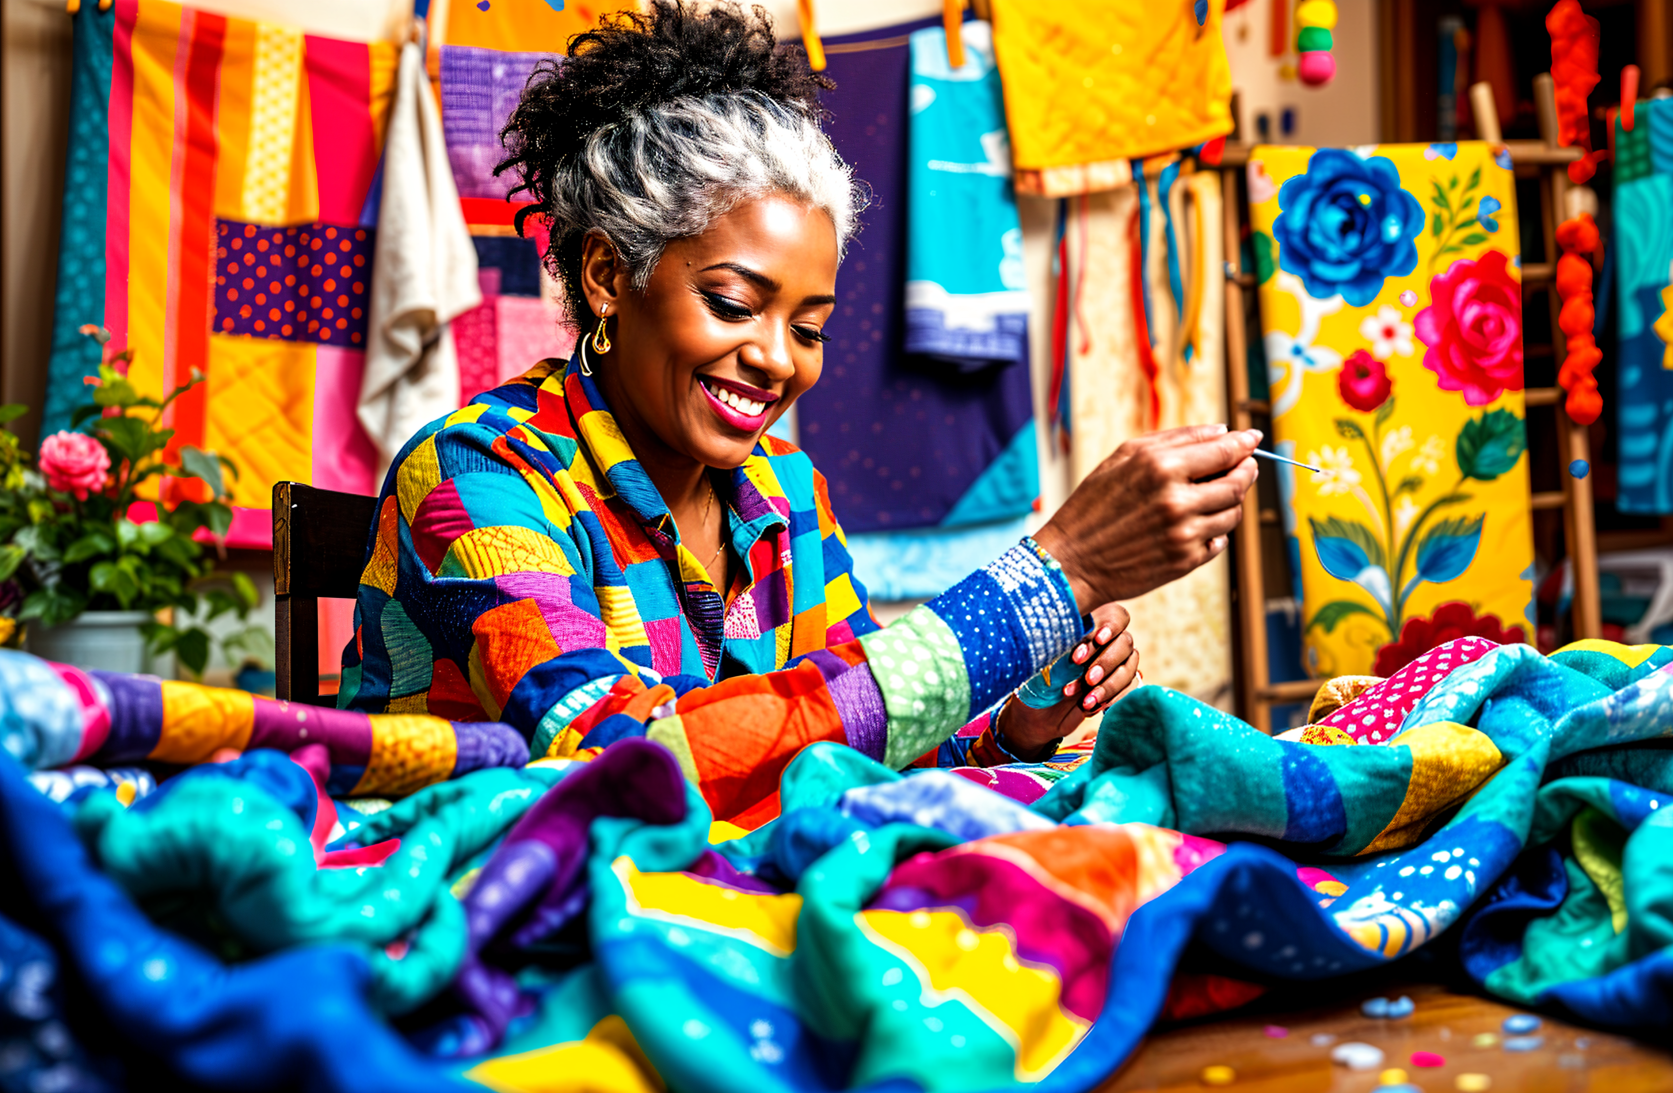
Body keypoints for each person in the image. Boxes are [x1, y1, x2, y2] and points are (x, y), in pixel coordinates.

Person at [337, 2, 1259, 825]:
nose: (779, 358)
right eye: (735, 304)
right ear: (610, 277)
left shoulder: (784, 494)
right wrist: (1058, 571)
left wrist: (1014, 723)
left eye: (809, 326)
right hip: (473, 933)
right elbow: (620, 766)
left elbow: (851, 745)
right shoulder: (473, 477)